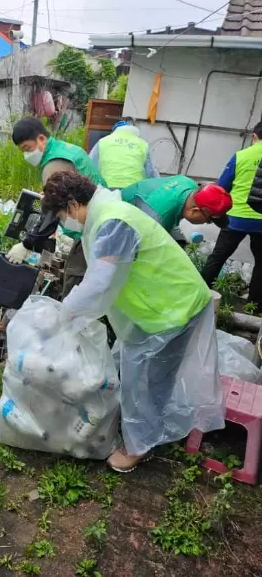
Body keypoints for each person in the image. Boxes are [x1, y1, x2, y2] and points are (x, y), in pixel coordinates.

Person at [42, 172, 224, 472]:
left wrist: (64, 314)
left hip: (173, 309)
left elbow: (99, 283)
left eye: (62, 215)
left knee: (147, 380)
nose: (64, 222)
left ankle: (139, 445)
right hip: (158, 306)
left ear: (74, 204)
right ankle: (142, 429)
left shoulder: (114, 222)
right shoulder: (107, 213)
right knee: (136, 370)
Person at [7, 117, 106, 297]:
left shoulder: (54, 163)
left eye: (27, 149)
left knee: (75, 280)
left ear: (42, 139)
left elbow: (53, 209)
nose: (26, 155)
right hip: (98, 217)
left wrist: (27, 243)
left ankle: (74, 321)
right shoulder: (65, 149)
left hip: (93, 226)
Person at [202, 122, 262, 312]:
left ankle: (202, 294)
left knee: (218, 257)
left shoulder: (241, 156)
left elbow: (222, 187)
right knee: (261, 264)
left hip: (235, 217)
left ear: (254, 136)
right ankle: (254, 307)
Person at [121, 175, 232, 236]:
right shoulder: (156, 218)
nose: (205, 223)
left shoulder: (187, 183)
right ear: (194, 211)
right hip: (120, 218)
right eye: (208, 220)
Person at [89, 119, 160, 189]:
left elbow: (90, 166)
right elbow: (151, 174)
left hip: (107, 188)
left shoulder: (103, 142)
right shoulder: (142, 144)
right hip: (133, 190)